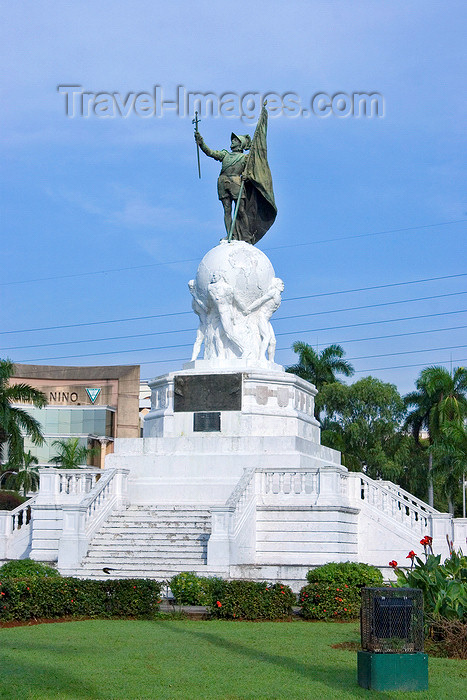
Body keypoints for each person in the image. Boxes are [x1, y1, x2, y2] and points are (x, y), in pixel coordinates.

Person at [195, 130, 252, 241]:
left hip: (236, 182)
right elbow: (210, 152)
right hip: (223, 182)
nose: (232, 141)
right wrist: (201, 142)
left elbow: (251, 172)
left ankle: (245, 235)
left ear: (240, 144)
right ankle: (231, 234)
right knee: (227, 210)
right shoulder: (225, 154)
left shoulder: (245, 158)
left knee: (240, 209)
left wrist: (247, 176)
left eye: (235, 140)